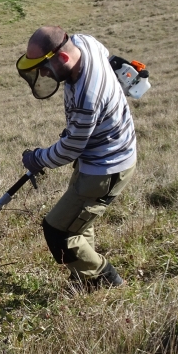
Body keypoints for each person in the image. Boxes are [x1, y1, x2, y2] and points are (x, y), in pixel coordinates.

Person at [16, 25, 137, 291]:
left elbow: (69, 149)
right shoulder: (85, 42)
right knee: (76, 223)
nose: (42, 74)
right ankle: (85, 278)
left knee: (58, 232)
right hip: (96, 157)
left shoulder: (87, 97)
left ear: (63, 58)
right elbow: (106, 55)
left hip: (106, 167)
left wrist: (37, 158)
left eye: (44, 67)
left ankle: (107, 280)